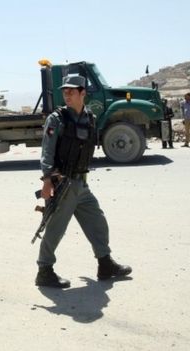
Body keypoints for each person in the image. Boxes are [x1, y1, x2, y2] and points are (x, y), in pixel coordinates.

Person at [36, 75, 132, 288]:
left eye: (72, 91)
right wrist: (47, 181)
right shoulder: (57, 119)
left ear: (83, 93)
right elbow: (47, 152)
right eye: (65, 91)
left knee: (97, 221)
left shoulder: (89, 118)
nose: (67, 94)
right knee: (55, 228)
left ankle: (105, 263)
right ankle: (44, 271)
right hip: (63, 184)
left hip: (81, 183)